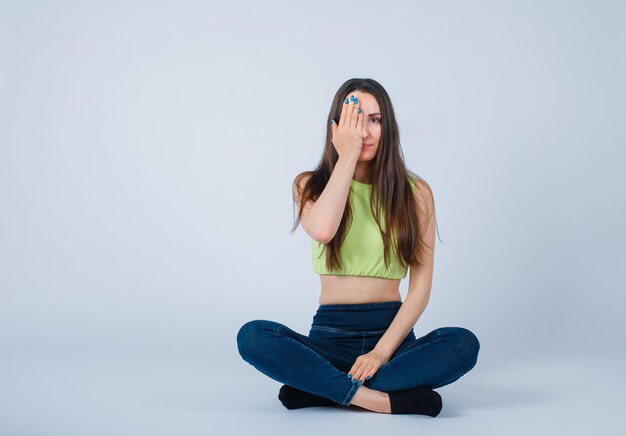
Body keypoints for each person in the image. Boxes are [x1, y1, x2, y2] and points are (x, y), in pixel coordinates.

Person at [236, 78, 480, 416]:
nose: (363, 132)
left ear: (387, 127)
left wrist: (380, 354)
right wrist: (347, 156)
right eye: (353, 119)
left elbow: (420, 291)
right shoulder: (309, 184)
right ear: (335, 128)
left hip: (392, 340)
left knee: (463, 343)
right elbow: (323, 230)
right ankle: (380, 400)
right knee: (253, 336)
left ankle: (323, 388)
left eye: (374, 120)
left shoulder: (417, 193)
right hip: (329, 339)